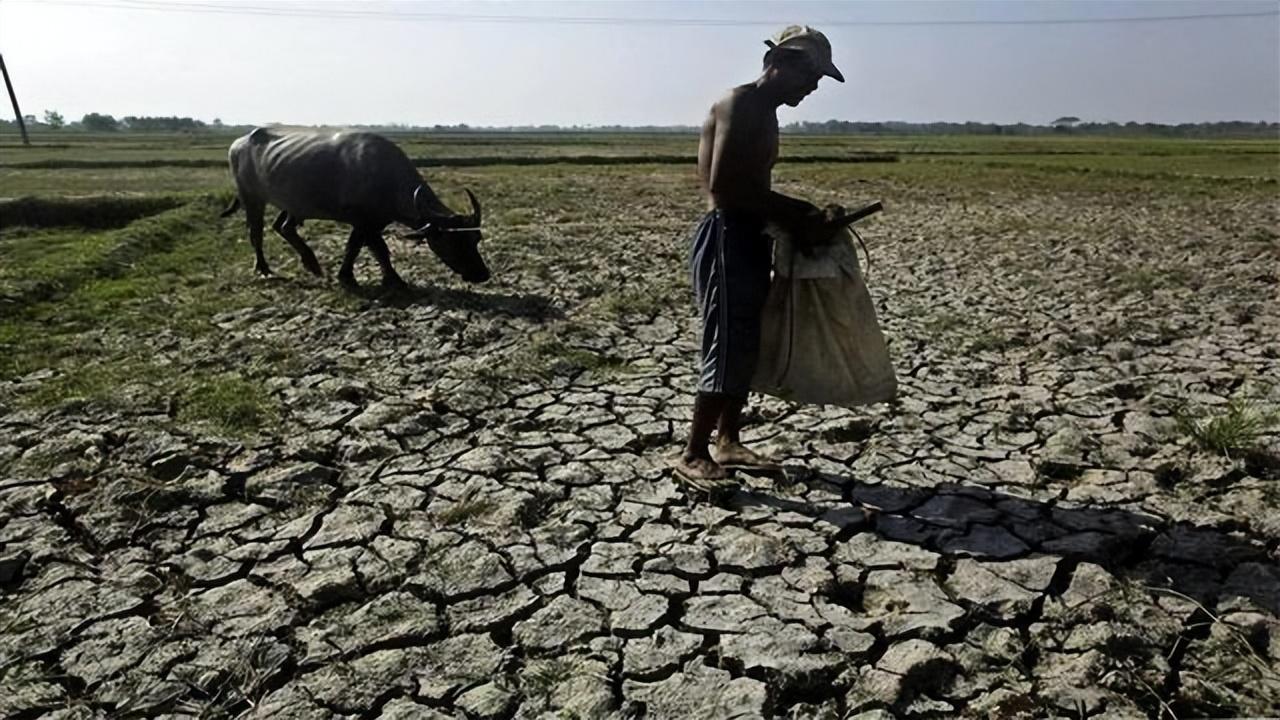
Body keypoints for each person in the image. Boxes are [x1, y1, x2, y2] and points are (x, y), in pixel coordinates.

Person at [673, 26, 845, 489]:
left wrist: (798, 220)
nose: (813, 87)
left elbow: (754, 191)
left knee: (747, 342)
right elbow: (726, 188)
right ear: (782, 62)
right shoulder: (741, 104)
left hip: (749, 236)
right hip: (727, 237)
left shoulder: (766, 112)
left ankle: (728, 440)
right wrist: (800, 211)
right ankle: (693, 452)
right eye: (811, 76)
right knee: (727, 343)